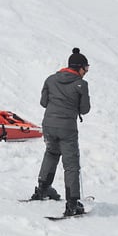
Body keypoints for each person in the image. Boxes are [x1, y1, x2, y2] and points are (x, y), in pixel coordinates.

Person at [30, 48, 92, 216]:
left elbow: (43, 102)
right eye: (85, 69)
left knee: (51, 153)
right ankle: (72, 204)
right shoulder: (81, 85)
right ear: (79, 68)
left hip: (49, 125)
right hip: (67, 128)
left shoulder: (50, 79)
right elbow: (84, 109)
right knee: (71, 165)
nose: (86, 72)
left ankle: (43, 189)